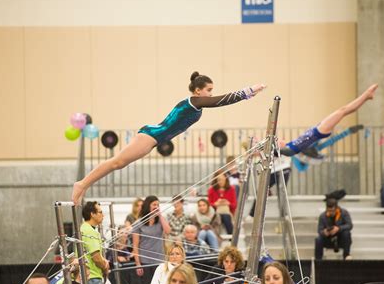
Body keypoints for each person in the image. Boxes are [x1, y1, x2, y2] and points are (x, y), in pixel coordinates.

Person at [72, 72, 266, 204]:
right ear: (198, 90)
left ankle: (84, 185)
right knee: (117, 163)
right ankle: (81, 184)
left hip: (152, 138)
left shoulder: (197, 103)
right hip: (151, 136)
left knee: (118, 164)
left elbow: (217, 100)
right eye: (209, 90)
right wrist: (247, 92)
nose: (210, 94)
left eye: (211, 91)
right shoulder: (194, 101)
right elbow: (221, 101)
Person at [279, 84, 378, 157]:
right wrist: (276, 151)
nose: (280, 140)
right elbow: (287, 152)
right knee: (343, 110)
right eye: (278, 142)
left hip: (318, 129)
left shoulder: (290, 145)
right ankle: (367, 95)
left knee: (343, 111)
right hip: (319, 131)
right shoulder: (290, 149)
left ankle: (367, 95)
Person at [133, 195, 171, 284]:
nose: (156, 206)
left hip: (159, 260)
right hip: (145, 261)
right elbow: (135, 245)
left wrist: (160, 215)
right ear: (148, 205)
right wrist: (138, 264)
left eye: (158, 204)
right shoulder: (138, 223)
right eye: (154, 204)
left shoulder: (160, 221)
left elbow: (168, 231)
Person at [81, 201, 110, 284]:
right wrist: (105, 266)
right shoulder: (90, 231)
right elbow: (96, 258)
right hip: (92, 277)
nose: (103, 215)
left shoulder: (84, 228)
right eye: (100, 212)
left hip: (88, 277)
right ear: (92, 214)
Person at [208, 169, 237, 234]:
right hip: (215, 214)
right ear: (215, 180)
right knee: (223, 216)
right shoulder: (211, 190)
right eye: (218, 180)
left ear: (226, 179)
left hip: (228, 213)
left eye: (222, 179)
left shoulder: (231, 189)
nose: (221, 181)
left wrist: (228, 203)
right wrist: (216, 204)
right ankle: (231, 236)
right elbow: (208, 205)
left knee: (225, 216)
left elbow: (234, 205)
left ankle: (231, 236)